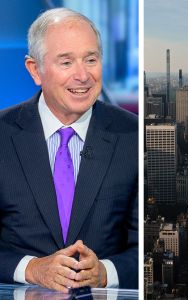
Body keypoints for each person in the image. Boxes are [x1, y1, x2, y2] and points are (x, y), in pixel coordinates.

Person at [0, 8, 138, 291]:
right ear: (35, 70)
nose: (83, 75)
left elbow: (147, 245)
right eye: (66, 62)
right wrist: (31, 268)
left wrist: (105, 272)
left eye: (91, 59)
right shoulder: (3, 134)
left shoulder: (132, 135)